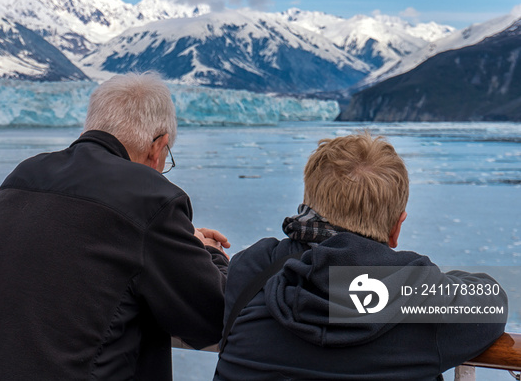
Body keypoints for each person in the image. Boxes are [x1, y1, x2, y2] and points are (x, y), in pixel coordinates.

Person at [0, 72, 230, 380]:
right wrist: (206, 252)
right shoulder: (151, 197)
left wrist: (180, 242)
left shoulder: (25, 176)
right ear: (158, 145)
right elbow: (213, 313)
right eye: (167, 156)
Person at [215, 132, 507, 380]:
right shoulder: (416, 296)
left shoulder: (254, 268)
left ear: (307, 207)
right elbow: (491, 300)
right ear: (396, 227)